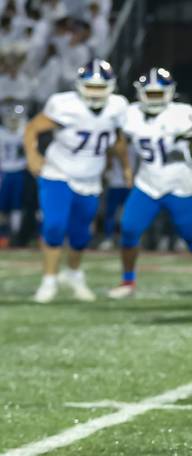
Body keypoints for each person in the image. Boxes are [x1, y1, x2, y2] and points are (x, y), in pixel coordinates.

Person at [24, 58, 131, 303]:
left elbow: (117, 140)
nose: (95, 92)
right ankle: (48, 281)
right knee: (53, 225)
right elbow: (33, 128)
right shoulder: (64, 104)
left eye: (99, 87)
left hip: (91, 177)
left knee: (81, 233)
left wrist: (125, 167)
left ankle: (73, 273)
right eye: (90, 87)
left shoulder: (118, 106)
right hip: (58, 172)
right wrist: (32, 154)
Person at [107, 67, 192, 298]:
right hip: (147, 182)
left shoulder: (181, 112)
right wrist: (126, 167)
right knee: (128, 228)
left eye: (159, 93)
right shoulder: (131, 113)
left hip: (181, 184)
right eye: (151, 94)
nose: (155, 99)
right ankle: (128, 281)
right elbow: (119, 139)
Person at [0, 102, 27, 247]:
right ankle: (3, 234)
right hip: (4, 171)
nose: (13, 121)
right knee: (2, 206)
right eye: (10, 118)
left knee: (17, 205)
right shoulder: (2, 133)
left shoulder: (26, 130)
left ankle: (15, 235)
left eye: (16, 118)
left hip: (20, 171)